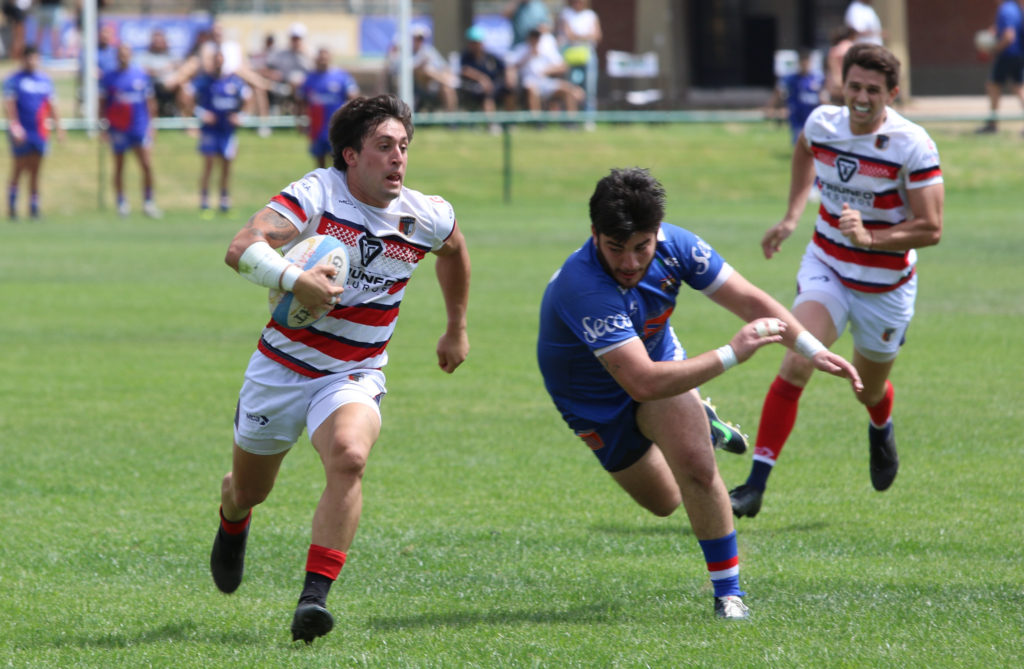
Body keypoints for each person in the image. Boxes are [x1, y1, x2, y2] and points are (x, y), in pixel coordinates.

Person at [536, 167, 862, 620]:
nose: (630, 262)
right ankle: (703, 421)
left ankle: (729, 596)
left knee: (696, 467)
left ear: (657, 234)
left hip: (659, 366)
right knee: (664, 501)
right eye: (615, 249)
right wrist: (732, 353)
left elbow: (751, 301)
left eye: (641, 247)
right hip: (592, 398)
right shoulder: (582, 286)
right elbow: (641, 382)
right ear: (594, 235)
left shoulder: (678, 247)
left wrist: (812, 348)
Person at [209, 94, 471, 644]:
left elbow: (455, 251)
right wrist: (293, 278)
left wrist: (456, 326)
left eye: (403, 146)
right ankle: (233, 515)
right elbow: (240, 248)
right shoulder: (317, 194)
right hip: (281, 367)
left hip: (353, 372)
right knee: (251, 489)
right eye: (384, 147)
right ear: (351, 155)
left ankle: (314, 599)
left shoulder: (425, 215)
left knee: (350, 456)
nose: (398, 158)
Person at [729, 43, 945, 519]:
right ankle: (754, 487)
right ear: (841, 85)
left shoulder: (913, 144)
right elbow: (805, 152)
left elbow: (931, 227)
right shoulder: (822, 124)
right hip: (827, 266)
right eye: (854, 86)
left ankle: (880, 424)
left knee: (867, 389)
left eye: (873, 89)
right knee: (795, 363)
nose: (861, 97)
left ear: (892, 93)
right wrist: (790, 216)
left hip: (885, 287)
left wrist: (870, 238)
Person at [99, 42, 161, 218]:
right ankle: (121, 203)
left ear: (131, 55)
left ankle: (148, 202)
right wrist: (103, 126)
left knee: (147, 165)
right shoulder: (109, 77)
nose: (123, 56)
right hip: (118, 128)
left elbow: (150, 102)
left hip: (139, 127)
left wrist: (151, 124)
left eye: (126, 53)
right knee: (119, 166)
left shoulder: (141, 75)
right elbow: (103, 104)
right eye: (120, 53)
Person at [3, 45, 64, 220]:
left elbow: (52, 105)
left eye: (34, 57)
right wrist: (14, 125)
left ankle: (34, 207)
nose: (31, 61)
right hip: (22, 131)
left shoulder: (45, 81)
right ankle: (12, 206)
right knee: (19, 168)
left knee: (36, 170)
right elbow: (9, 104)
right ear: (23, 59)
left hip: (39, 131)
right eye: (28, 57)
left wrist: (59, 128)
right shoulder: (14, 80)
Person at [190, 47, 251, 218]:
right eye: (215, 59)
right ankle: (204, 202)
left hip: (227, 131)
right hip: (210, 131)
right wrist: (201, 113)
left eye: (220, 59)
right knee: (208, 165)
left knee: (226, 166)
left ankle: (224, 201)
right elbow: (187, 97)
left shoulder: (234, 81)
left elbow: (248, 97)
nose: (218, 62)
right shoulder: (204, 81)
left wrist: (241, 116)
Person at [298, 46, 360, 168]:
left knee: (339, 163)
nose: (322, 60)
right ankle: (322, 186)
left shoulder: (341, 76)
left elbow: (353, 97)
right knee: (319, 163)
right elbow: (301, 101)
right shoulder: (309, 78)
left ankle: (339, 186)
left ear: (330, 58)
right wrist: (301, 120)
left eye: (325, 58)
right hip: (317, 127)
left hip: (336, 126)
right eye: (320, 58)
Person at [975, 0, 1024, 134]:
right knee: (1018, 87)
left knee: (993, 86)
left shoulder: (1006, 9)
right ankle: (992, 123)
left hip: (1008, 54)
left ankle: (992, 124)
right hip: (1018, 54)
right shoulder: (1015, 7)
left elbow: (1009, 36)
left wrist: (995, 49)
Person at [510, 27, 584, 114]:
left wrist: (546, 70)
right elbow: (512, 66)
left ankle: (572, 122)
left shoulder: (546, 49)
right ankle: (537, 121)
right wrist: (527, 56)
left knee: (568, 90)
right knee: (532, 89)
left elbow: (563, 66)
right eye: (533, 37)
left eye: (537, 37)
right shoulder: (521, 49)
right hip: (528, 82)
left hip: (545, 81)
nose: (535, 40)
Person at [767, 48, 825, 145]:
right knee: (799, 142)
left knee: (814, 143)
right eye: (803, 62)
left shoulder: (818, 78)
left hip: (812, 115)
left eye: (807, 62)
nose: (805, 65)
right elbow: (778, 91)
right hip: (797, 115)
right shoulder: (791, 78)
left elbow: (823, 95)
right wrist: (771, 107)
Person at [556, 0, 602, 119]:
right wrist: (586, 36)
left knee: (590, 88)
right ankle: (571, 119)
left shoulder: (591, 15)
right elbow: (569, 34)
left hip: (588, 55)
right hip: (570, 55)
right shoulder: (566, 13)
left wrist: (578, 36)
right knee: (570, 87)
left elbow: (597, 35)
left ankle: (589, 119)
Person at [458, 25, 514, 115]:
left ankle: (510, 121)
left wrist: (509, 77)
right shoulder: (465, 57)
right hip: (474, 88)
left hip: (494, 85)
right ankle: (492, 124)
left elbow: (505, 67)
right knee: (487, 95)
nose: (475, 45)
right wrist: (482, 78)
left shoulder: (490, 56)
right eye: (473, 42)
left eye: (477, 42)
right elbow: (465, 70)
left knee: (509, 90)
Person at [825, 25, 856, 105]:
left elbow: (833, 70)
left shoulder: (834, 50)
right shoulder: (853, 48)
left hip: (835, 87)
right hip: (850, 87)